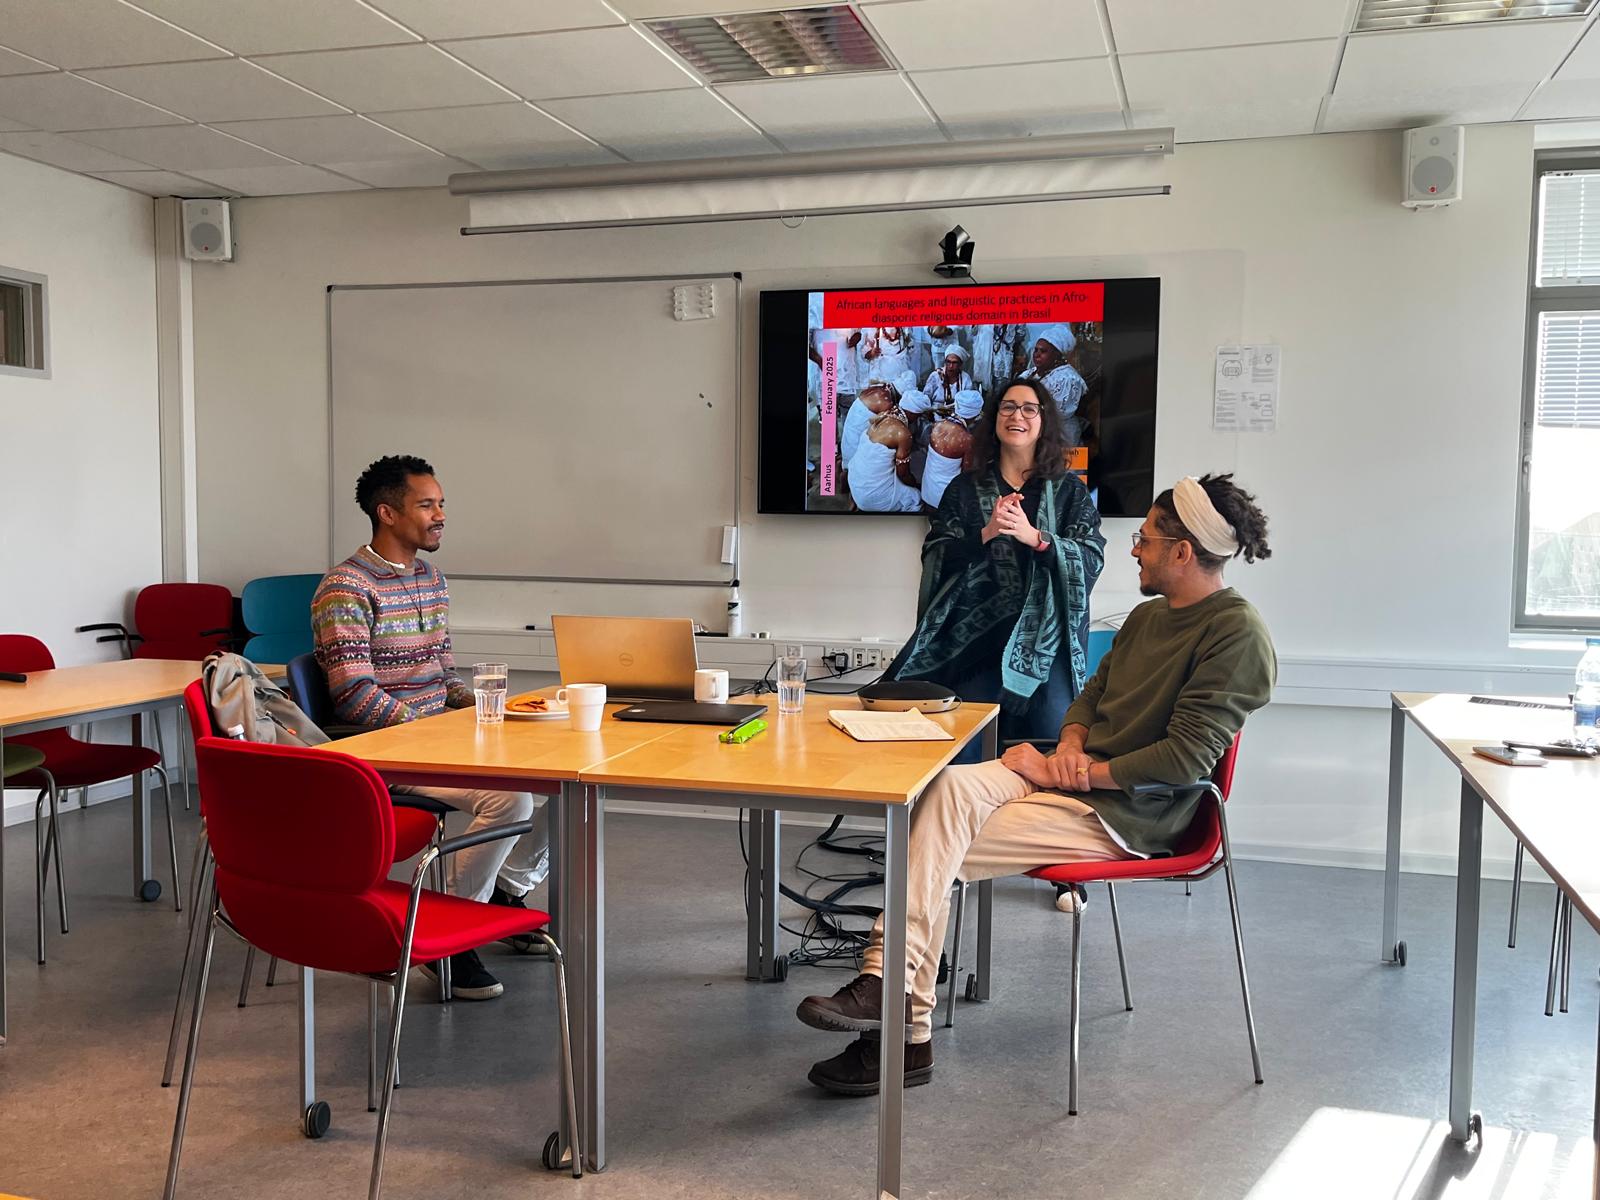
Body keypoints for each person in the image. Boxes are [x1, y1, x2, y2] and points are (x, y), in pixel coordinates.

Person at [796, 472, 1276, 1095]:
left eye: (1148, 540)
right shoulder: (1146, 618)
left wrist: (1069, 770)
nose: (1134, 548)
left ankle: (898, 1031)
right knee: (945, 793)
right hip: (1074, 783)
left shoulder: (1237, 634)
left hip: (1132, 816)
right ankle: (889, 1001)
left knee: (936, 846)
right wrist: (1071, 743)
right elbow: (1089, 698)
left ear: (1183, 552)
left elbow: (1184, 760)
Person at [311, 454, 549, 1001]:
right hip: (382, 753)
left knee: (557, 778)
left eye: (441, 503)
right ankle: (447, 939)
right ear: (387, 512)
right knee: (509, 802)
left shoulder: (430, 578)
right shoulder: (345, 588)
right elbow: (354, 695)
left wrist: (487, 710)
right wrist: (431, 730)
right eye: (427, 504)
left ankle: (505, 893)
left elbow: (444, 676)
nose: (440, 514)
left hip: (434, 738)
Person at [889, 378, 1104, 747]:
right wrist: (985, 535)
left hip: (1046, 653)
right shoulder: (962, 490)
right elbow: (937, 554)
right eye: (1007, 407)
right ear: (994, 419)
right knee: (956, 752)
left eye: (1028, 408)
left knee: (1052, 749)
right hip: (971, 647)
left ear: (1043, 421)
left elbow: (1091, 557)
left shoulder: (1071, 491)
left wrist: (1036, 538)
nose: (1016, 415)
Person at [846, 387, 922, 513]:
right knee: (915, 499)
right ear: (914, 414)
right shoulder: (902, 433)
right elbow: (903, 474)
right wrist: (916, 485)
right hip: (870, 497)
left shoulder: (883, 414)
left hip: (855, 482)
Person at [1020, 323, 1087, 445]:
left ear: (1057, 354)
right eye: (1036, 350)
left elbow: (1058, 414)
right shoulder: (1030, 373)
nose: (1037, 354)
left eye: (1043, 351)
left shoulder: (1067, 379)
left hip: (1060, 437)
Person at [920, 388, 983, 512]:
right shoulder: (966, 440)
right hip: (945, 497)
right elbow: (967, 472)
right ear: (975, 415)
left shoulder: (937, 425)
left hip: (927, 491)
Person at [923, 344, 974, 409]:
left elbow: (967, 401)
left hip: (957, 413)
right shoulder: (935, 376)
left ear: (960, 364)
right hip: (935, 413)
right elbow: (925, 398)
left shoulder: (965, 378)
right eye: (948, 362)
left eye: (954, 363)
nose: (951, 366)